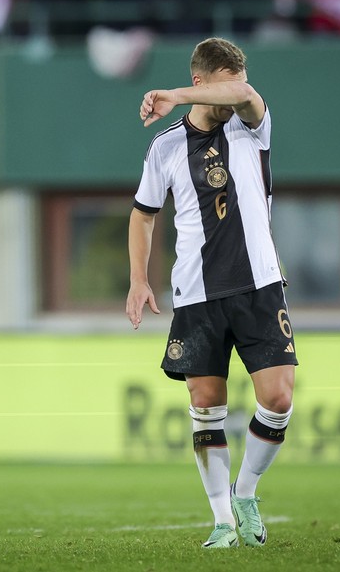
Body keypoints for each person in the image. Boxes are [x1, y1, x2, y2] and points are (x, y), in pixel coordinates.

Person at [126, 37, 297, 549]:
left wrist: (175, 97)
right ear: (202, 81)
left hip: (260, 284)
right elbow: (143, 214)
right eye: (221, 82)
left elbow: (244, 91)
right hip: (198, 292)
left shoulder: (251, 126)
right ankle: (223, 519)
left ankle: (246, 493)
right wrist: (138, 278)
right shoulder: (165, 147)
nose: (235, 90)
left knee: (279, 398)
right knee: (206, 402)